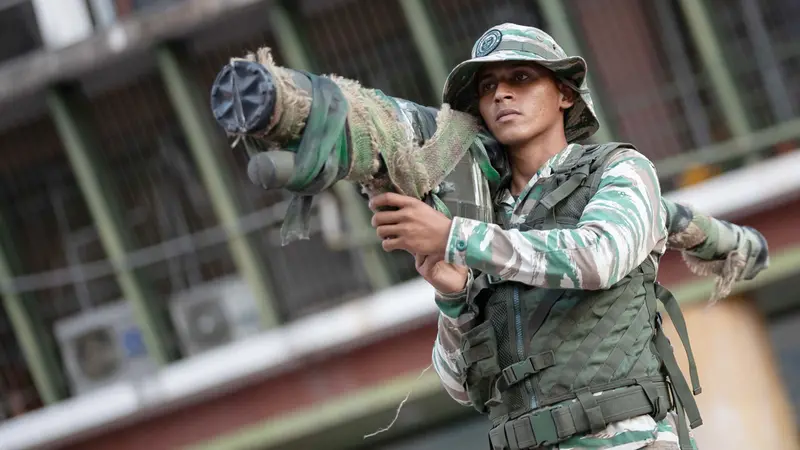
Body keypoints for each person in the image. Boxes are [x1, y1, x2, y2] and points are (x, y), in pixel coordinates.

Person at [368, 23, 768, 450]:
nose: (501, 94)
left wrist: (455, 236)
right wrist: (453, 300)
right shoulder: (485, 216)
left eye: (520, 78)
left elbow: (600, 257)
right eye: (488, 87)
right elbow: (460, 387)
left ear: (565, 94)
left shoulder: (618, 171)